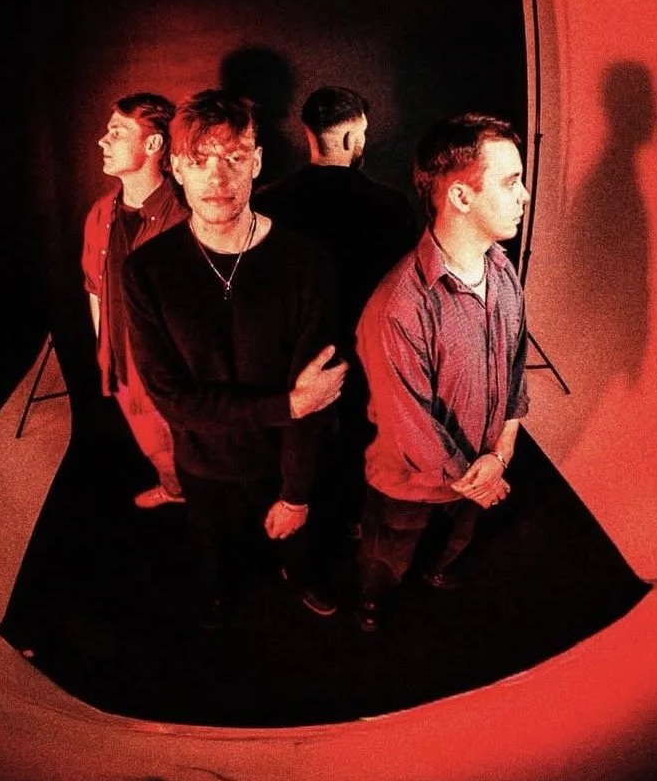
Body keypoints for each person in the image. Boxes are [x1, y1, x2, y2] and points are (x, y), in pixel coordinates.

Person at [122, 90, 346, 626]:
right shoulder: (148, 270)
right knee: (215, 560)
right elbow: (173, 400)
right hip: (204, 465)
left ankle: (299, 573)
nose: (217, 179)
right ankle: (220, 594)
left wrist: (295, 495)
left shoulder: (306, 263)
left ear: (258, 161)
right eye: (199, 161)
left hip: (285, 462)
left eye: (234, 158)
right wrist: (287, 404)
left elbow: (319, 393)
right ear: (176, 166)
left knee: (300, 546)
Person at [353, 113, 532, 632]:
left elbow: (516, 364)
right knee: (388, 554)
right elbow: (410, 425)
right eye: (510, 181)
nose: (523, 195)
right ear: (459, 197)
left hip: (482, 467)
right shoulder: (399, 306)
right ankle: (373, 600)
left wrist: (502, 450)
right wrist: (479, 479)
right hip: (410, 482)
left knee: (455, 541)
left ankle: (440, 569)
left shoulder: (502, 269)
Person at [256, 86, 419, 551]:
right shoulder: (392, 206)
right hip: (368, 354)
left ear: (308, 133)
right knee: (360, 442)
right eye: (362, 134)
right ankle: (352, 520)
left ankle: (300, 522)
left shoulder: (268, 204)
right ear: (352, 139)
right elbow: (405, 293)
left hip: (294, 358)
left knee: (297, 446)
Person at [81, 93, 189, 507]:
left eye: (116, 132)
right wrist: (107, 350)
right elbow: (94, 286)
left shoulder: (184, 215)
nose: (102, 141)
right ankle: (176, 491)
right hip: (126, 369)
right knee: (156, 450)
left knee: (197, 455)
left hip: (175, 379)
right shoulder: (101, 212)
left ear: (153, 145)